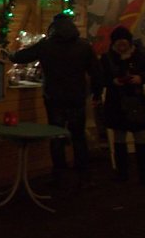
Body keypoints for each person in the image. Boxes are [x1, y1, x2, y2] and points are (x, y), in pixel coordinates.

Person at [10, 12, 103, 186]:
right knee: (78, 135)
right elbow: (96, 72)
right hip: (77, 96)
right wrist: (97, 93)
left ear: (54, 28)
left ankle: (59, 172)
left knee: (56, 134)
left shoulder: (46, 45)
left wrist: (7, 54)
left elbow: (22, 57)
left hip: (54, 97)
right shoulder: (84, 46)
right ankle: (83, 172)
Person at [99, 26, 145, 184]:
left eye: (124, 43)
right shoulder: (107, 58)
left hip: (135, 103)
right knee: (120, 138)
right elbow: (100, 78)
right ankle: (123, 174)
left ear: (129, 43)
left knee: (139, 137)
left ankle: (142, 175)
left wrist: (140, 78)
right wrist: (113, 82)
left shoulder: (138, 56)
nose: (121, 46)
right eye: (119, 43)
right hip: (117, 103)